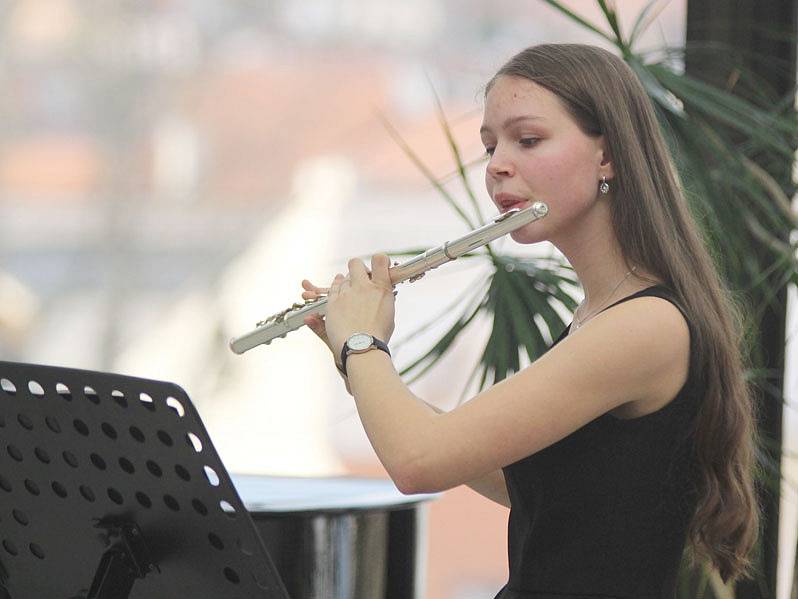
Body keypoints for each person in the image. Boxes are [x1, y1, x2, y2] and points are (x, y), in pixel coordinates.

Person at [301, 44, 759, 597]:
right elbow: (528, 484)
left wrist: (362, 342)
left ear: (607, 157)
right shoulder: (601, 314)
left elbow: (419, 462)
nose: (496, 165)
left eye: (529, 139)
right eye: (491, 144)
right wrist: (355, 363)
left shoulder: (646, 328)